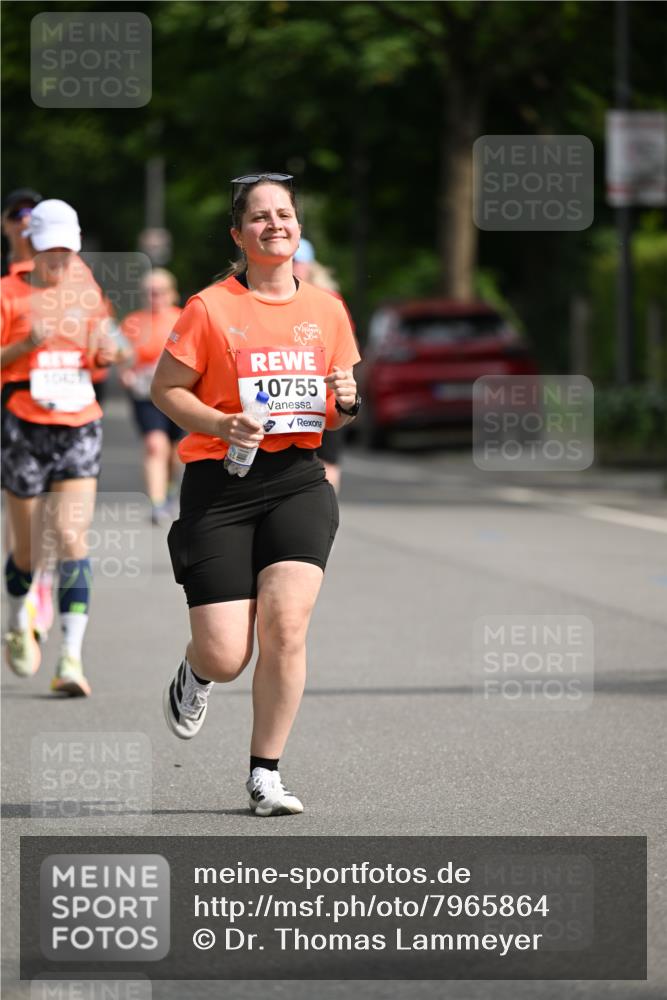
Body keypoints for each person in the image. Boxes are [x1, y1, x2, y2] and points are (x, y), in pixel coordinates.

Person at [151, 172, 361, 815]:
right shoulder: (210, 308)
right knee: (226, 652)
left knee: (287, 626)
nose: (277, 224)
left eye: (286, 215)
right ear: (239, 234)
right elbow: (166, 390)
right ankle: (197, 670)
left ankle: (265, 775)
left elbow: (335, 408)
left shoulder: (327, 308)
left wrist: (347, 403)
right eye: (261, 217)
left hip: (298, 479)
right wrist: (219, 422)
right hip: (222, 484)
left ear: (299, 228)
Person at [1, 199, 115, 695]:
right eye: (51, 252)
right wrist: (26, 345)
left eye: (68, 252)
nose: (60, 262)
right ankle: (16, 620)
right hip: (24, 424)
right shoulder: (8, 293)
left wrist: (103, 353)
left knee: (71, 539)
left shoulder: (87, 289)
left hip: (79, 423)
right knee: (26, 551)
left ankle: (70, 658)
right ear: (33, 245)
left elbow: (98, 355)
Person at [120, 268, 184, 524]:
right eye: (149, 292)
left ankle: (169, 488)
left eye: (159, 292)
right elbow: (121, 354)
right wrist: (124, 371)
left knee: (174, 450)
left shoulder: (183, 318)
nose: (154, 297)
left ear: (171, 293)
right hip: (144, 393)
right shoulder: (133, 322)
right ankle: (157, 504)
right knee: (155, 445)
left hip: (178, 392)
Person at [293, 237, 354, 494]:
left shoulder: (329, 299)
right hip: (289, 392)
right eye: (290, 262)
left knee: (327, 460)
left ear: (309, 265)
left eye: (297, 262)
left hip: (323, 390)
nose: (293, 268)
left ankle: (325, 517)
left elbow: (348, 346)